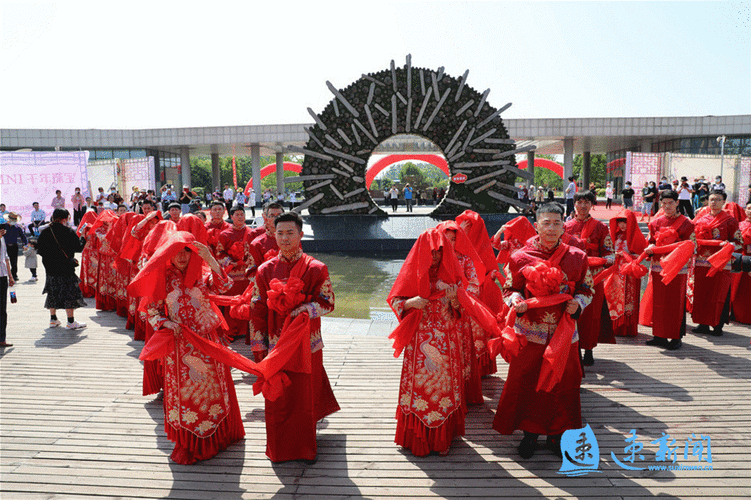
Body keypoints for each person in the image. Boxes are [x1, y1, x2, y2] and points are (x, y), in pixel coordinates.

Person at [128, 232, 244, 464]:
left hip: (208, 341)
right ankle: (192, 440)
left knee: (213, 391)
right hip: (179, 347)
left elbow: (225, 285)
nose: (182, 256)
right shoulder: (161, 276)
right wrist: (167, 323)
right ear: (168, 254)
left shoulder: (201, 274)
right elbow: (152, 312)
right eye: (177, 252)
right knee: (187, 394)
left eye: (187, 251)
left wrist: (209, 258)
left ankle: (219, 435)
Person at [493, 202, 592, 459]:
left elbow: (586, 289)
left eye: (556, 223)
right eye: (545, 223)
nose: (551, 228)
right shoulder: (519, 258)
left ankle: (557, 435)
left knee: (564, 381)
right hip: (530, 331)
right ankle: (529, 434)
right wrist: (515, 301)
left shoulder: (577, 257)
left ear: (563, 226)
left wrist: (577, 304)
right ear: (536, 226)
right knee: (528, 382)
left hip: (564, 331)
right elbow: (508, 289)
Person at [250, 211, 339, 463]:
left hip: (307, 343)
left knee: (303, 395)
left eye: (290, 233)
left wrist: (306, 309)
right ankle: (279, 449)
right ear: (273, 235)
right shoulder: (265, 270)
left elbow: (329, 303)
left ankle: (304, 448)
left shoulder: (316, 268)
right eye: (280, 233)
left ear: (301, 235)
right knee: (277, 396)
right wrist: (259, 347)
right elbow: (256, 308)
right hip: (276, 344)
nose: (285, 238)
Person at [388, 228, 466, 456]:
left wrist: (454, 299)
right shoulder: (412, 272)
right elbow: (395, 299)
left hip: (446, 338)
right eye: (431, 252)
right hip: (419, 339)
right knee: (420, 387)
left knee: (443, 388)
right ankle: (418, 437)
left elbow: (462, 310)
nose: (435, 257)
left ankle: (443, 436)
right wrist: (411, 303)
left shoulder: (451, 274)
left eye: (440, 252)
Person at [564, 190, 614, 366]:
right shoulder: (565, 227)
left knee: (591, 314)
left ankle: (589, 349)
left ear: (592, 205)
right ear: (574, 204)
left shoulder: (601, 227)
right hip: (572, 277)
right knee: (573, 312)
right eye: (580, 202)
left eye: (587, 202)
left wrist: (608, 260)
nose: (583, 206)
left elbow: (609, 251)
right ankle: (574, 348)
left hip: (594, 277)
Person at [642, 190, 694, 349]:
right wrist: (650, 246)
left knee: (675, 302)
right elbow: (651, 240)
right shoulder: (656, 222)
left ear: (677, 203)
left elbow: (691, 246)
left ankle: (675, 337)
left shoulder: (687, 223)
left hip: (677, 269)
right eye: (664, 203)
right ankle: (659, 335)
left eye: (670, 203)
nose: (667, 206)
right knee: (658, 301)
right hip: (658, 267)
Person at [691, 189, 741, 336]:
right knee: (701, 293)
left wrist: (728, 245)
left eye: (718, 199)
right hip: (702, 262)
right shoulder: (700, 220)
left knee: (719, 293)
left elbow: (739, 243)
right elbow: (692, 240)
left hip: (721, 263)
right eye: (712, 199)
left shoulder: (730, 220)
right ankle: (702, 324)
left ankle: (717, 325)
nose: (714, 202)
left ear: (723, 202)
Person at [36, 209, 87, 330]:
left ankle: (53, 319)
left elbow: (41, 250)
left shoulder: (46, 232)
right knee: (69, 293)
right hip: (66, 268)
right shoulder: (68, 231)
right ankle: (70, 322)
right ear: (65, 218)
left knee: (52, 292)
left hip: (50, 268)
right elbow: (78, 247)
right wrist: (83, 237)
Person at [608, 209, 647, 337]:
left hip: (629, 272)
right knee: (615, 297)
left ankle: (627, 328)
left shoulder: (637, 236)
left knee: (629, 298)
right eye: (619, 222)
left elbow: (641, 255)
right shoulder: (615, 235)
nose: (622, 225)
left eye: (625, 222)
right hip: (616, 271)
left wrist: (627, 255)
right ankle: (614, 325)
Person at [731, 201, 751, 323]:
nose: (750, 211)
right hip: (742, 259)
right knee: (738, 289)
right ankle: (737, 314)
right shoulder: (739, 225)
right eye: (749, 208)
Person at [3, 213, 27, 282]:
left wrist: (25, 244)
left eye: (15, 220)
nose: (13, 221)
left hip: (14, 246)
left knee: (14, 262)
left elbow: (23, 236)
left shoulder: (17, 227)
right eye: (12, 219)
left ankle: (14, 275)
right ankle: (4, 275)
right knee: (4, 261)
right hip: (5, 246)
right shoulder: (3, 226)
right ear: (9, 219)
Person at [0, 228, 14, 347]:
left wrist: (10, 276)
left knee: (2, 309)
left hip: (2, 276)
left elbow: (6, 257)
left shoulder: (2, 239)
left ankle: (1, 338)